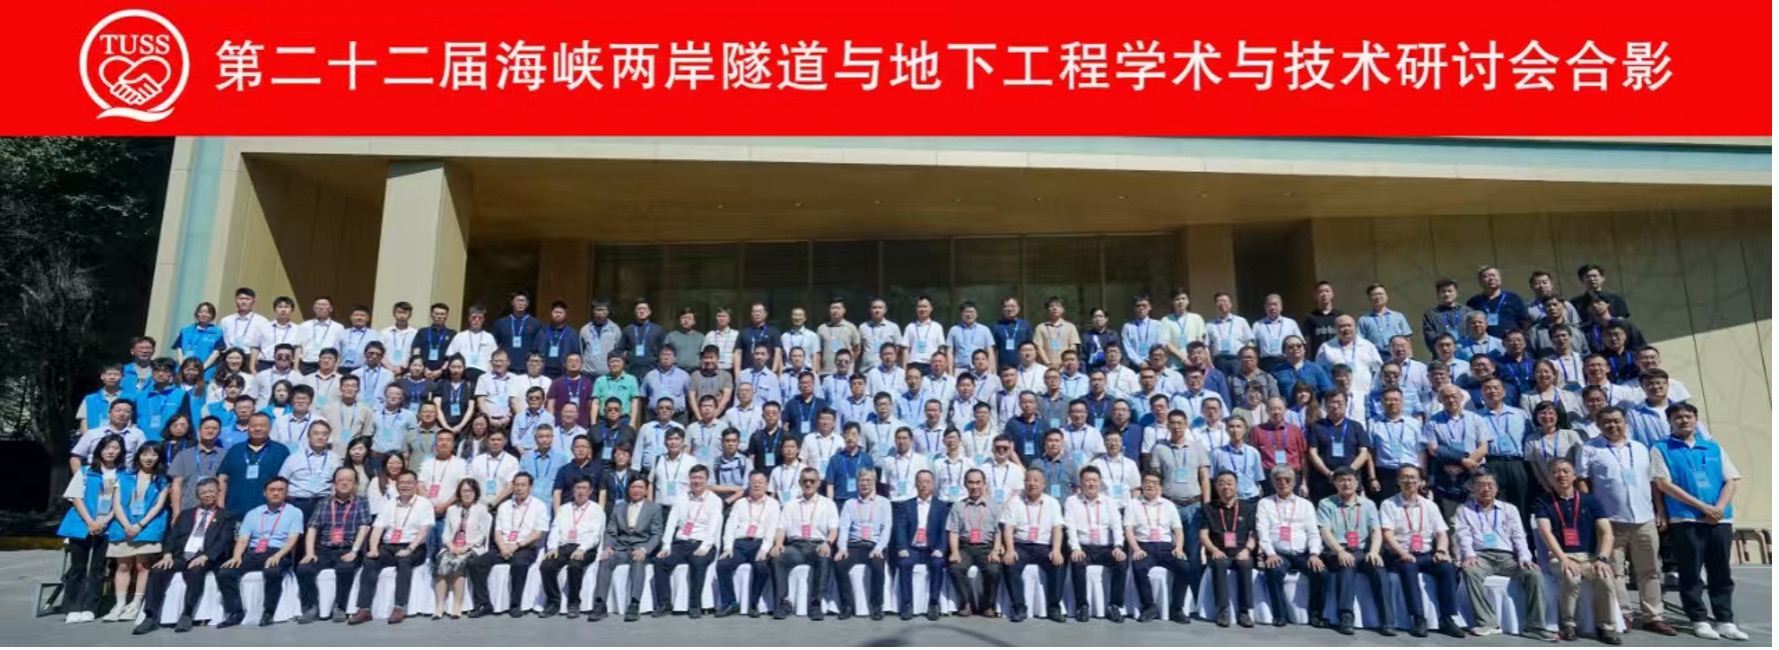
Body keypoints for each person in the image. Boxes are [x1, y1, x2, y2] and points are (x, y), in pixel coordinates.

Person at [1651, 403, 1747, 641]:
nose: (1683, 420)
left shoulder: (1713, 447)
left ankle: (1725, 620)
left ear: (1696, 419)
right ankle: (1699, 619)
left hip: (1720, 520)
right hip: (1686, 518)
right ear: (1670, 422)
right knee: (1691, 572)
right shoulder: (1661, 448)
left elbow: (1731, 480)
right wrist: (1703, 507)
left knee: (1721, 572)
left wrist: (1719, 508)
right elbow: (1663, 484)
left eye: (1688, 416)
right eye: (1678, 417)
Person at [1575, 407, 1671, 636]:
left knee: (1649, 571)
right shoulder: (1589, 449)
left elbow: (1653, 483)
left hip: (1644, 518)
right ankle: (1622, 615)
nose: (1612, 425)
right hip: (1610, 521)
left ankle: (1654, 617)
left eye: (1617, 421)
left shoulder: (1640, 448)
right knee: (1615, 572)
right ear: (1599, 425)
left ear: (1625, 423)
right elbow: (1582, 481)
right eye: (1606, 422)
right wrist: (1593, 513)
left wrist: (1660, 510)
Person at [1453, 469, 1551, 640]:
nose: (1486, 489)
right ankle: (1487, 622)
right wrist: (1469, 555)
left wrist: (1524, 557)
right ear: (1473, 488)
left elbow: (1518, 535)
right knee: (1470, 571)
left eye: (1490, 485)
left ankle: (1535, 626)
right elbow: (1463, 535)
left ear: (1497, 488)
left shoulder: (1509, 509)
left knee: (1534, 573)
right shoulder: (1464, 510)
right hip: (1481, 556)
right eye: (1481, 485)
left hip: (1508, 557)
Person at [1533, 458, 1620, 644]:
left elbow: (1607, 533)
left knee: (1605, 577)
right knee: (1570, 575)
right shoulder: (1543, 501)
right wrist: (1563, 558)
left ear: (1574, 475)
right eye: (1556, 472)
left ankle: (1606, 626)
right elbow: (1546, 533)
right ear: (1550, 477)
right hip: (1559, 557)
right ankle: (1568, 624)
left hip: (1589, 557)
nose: (1561, 475)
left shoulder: (1590, 500)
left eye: (1566, 471)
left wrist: (1602, 558)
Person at [130, 478, 231, 634]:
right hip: (182, 555)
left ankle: (187, 614)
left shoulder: (226, 516)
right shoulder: (185, 514)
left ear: (218, 492)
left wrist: (206, 556)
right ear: (198, 495)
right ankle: (150, 617)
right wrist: (167, 554)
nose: (207, 495)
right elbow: (171, 536)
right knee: (157, 571)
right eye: (203, 492)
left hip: (205, 557)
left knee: (196, 571)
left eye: (211, 491)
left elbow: (224, 540)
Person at [1378, 466, 1465, 638]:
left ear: (1421, 482)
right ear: (1398, 481)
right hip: (1399, 554)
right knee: (1409, 567)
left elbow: (1442, 533)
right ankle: (1418, 618)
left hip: (1425, 554)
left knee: (1446, 567)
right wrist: (1402, 553)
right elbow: (1387, 534)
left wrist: (1441, 550)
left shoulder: (1430, 505)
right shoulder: (1389, 504)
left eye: (1413, 477)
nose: (1409, 481)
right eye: (1405, 477)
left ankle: (1447, 619)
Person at [1313, 467, 1394, 636]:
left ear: (1357, 483)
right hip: (1335, 551)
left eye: (1350, 479)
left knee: (1378, 568)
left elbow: (1376, 531)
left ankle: (1387, 621)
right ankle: (1346, 618)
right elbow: (1325, 532)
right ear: (1334, 483)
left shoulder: (1368, 504)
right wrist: (1340, 551)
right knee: (1346, 565)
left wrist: (1374, 551)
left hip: (1361, 551)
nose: (1346, 483)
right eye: (1341, 480)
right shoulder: (1326, 503)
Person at [215, 477, 304, 628]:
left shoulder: (295, 512)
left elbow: (292, 539)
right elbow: (243, 539)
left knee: (272, 571)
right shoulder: (253, 513)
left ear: (286, 493)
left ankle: (269, 611)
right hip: (254, 552)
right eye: (272, 490)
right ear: (265, 493)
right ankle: (235, 612)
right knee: (225, 573)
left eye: (280, 490)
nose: (276, 493)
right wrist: (236, 557)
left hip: (279, 552)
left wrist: (277, 556)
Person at [350, 469, 433, 624]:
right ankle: (364, 609)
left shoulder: (424, 503)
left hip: (414, 546)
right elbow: (377, 528)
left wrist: (409, 549)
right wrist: (373, 549)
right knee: (370, 561)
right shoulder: (389, 504)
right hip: (389, 546)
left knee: (405, 561)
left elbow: (424, 531)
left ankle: (399, 606)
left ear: (416, 484)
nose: (405, 486)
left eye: (409, 482)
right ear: (397, 485)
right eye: (402, 483)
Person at [295, 466, 372, 623]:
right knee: (304, 569)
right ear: (334, 483)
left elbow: (364, 527)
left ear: (355, 484)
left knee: (345, 568)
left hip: (347, 549)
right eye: (340, 480)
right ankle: (311, 607)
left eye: (349, 480)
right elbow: (312, 528)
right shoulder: (323, 503)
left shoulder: (361, 502)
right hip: (324, 549)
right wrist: (309, 553)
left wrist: (354, 551)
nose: (344, 483)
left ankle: (340, 607)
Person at [466, 472, 549, 618]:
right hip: (502, 546)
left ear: (530, 487)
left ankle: (515, 604)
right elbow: (497, 531)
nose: (519, 488)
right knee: (475, 564)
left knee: (519, 564)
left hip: (524, 547)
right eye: (516, 485)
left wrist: (517, 545)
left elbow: (538, 533)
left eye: (523, 485)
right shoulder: (504, 506)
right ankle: (484, 604)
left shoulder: (539, 506)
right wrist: (503, 547)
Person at [107, 442, 172, 622]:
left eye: (153, 454)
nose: (149, 458)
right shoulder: (124, 476)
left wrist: (140, 525)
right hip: (123, 526)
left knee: (142, 566)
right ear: (138, 456)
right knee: (123, 566)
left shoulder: (162, 480)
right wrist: (127, 524)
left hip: (147, 526)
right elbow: (117, 503)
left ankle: (136, 603)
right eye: (145, 454)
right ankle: (119, 604)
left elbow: (158, 506)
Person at [1257, 464, 1325, 628]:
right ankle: (1280, 615)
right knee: (1273, 570)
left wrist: (1314, 554)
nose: (1283, 483)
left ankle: (1316, 615)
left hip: (1303, 553)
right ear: (1273, 482)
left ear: (1294, 482)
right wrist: (1270, 553)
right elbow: (1262, 531)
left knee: (1320, 572)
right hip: (1279, 553)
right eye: (1278, 480)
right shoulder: (1264, 503)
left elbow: (1313, 532)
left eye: (1287, 480)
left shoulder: (1305, 504)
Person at [653, 464, 723, 618]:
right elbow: (671, 523)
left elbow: (713, 527)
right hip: (681, 543)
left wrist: (705, 546)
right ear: (689, 479)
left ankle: (694, 605)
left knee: (698, 562)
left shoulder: (714, 500)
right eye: (694, 478)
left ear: (707, 480)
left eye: (700, 478)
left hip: (702, 543)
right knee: (660, 562)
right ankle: (664, 603)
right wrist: (666, 546)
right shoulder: (681, 498)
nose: (697, 481)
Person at [592, 476, 665, 622]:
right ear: (628, 489)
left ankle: (634, 604)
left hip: (640, 548)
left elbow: (656, 534)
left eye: (640, 487)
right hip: (621, 548)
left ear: (646, 490)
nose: (636, 490)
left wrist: (644, 549)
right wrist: (608, 547)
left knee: (638, 561)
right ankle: (600, 604)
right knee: (605, 559)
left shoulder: (654, 508)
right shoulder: (619, 507)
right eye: (633, 487)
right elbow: (611, 531)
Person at [1000, 466, 1066, 623]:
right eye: (1028, 480)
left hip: (1044, 546)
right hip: (1021, 545)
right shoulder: (1015, 502)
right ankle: (1019, 607)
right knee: (1010, 564)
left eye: (1036, 480)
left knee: (1058, 564)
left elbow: (1057, 528)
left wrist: (1056, 550)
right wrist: (1009, 550)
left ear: (1043, 484)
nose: (1032, 483)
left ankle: (1054, 608)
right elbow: (1008, 528)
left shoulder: (1052, 503)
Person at [772, 466, 839, 620]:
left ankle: (816, 603)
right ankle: (783, 602)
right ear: (799, 483)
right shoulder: (790, 504)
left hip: (817, 545)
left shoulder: (828, 504)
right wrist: (778, 544)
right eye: (805, 481)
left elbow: (833, 530)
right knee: (777, 557)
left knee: (824, 557)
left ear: (818, 483)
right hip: (796, 546)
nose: (808, 484)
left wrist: (828, 543)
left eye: (812, 481)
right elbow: (781, 528)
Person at [1059, 466, 1125, 622]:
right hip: (1083, 547)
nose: (1091, 484)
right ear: (1081, 483)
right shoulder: (1072, 502)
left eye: (1094, 480)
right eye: (1087, 480)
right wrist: (1075, 548)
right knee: (1077, 562)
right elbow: (1070, 528)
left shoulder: (1109, 502)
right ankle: (1082, 606)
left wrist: (1118, 546)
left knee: (1121, 562)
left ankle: (1114, 606)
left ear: (1100, 482)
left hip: (1105, 547)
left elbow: (1117, 526)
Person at [715, 471, 780, 618]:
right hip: (739, 543)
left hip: (759, 543)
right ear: (748, 484)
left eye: (760, 482)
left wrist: (765, 548)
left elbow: (772, 528)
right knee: (722, 564)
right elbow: (730, 526)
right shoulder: (740, 503)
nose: (757, 485)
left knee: (761, 567)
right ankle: (730, 602)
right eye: (753, 482)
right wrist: (728, 547)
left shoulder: (773, 504)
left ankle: (753, 603)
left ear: (766, 485)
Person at [539, 476, 604, 617]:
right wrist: (552, 547)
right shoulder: (564, 509)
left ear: (590, 491)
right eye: (578, 488)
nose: (581, 492)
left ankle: (574, 603)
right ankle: (553, 602)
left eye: (584, 488)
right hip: (564, 546)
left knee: (575, 565)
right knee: (546, 565)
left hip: (586, 548)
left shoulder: (597, 510)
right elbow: (555, 529)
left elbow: (595, 534)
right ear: (573, 490)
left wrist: (582, 549)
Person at [1198, 470, 1256, 627]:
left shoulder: (1248, 507)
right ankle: (1223, 610)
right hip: (1219, 551)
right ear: (1216, 487)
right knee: (1219, 564)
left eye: (1230, 483)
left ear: (1236, 486)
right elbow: (1203, 535)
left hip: (1240, 551)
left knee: (1246, 564)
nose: (1226, 487)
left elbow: (1253, 534)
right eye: (1221, 483)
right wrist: (1213, 550)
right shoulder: (1208, 508)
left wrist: (1247, 550)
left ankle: (1244, 611)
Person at [832, 468, 891, 620]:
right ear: (857, 482)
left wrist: (879, 548)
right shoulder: (850, 504)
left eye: (868, 480)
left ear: (874, 482)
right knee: (839, 564)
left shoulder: (884, 503)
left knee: (878, 565)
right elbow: (844, 528)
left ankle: (877, 605)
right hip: (854, 545)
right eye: (862, 480)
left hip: (874, 545)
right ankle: (846, 605)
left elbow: (887, 528)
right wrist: (842, 548)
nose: (865, 483)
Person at [888, 470, 948, 620]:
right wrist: (902, 547)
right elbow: (900, 528)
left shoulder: (941, 506)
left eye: (927, 482)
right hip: (912, 548)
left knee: (938, 564)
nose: (924, 485)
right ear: (915, 484)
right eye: (920, 482)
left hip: (932, 549)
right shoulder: (906, 505)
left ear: (933, 484)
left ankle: (933, 604)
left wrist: (941, 549)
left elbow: (944, 530)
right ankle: (907, 604)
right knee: (904, 563)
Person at [1424, 386, 1489, 520]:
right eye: (1446, 397)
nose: (1451, 400)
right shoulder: (1432, 422)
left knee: (1479, 515)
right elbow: (1433, 449)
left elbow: (1483, 448)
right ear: (1440, 400)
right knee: (1452, 518)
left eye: (1454, 396)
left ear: (1462, 397)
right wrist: (1463, 461)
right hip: (1447, 474)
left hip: (1474, 472)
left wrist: (1463, 464)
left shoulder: (1476, 419)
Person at [945, 469, 1004, 619]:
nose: (975, 486)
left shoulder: (994, 506)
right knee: (955, 568)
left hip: (987, 547)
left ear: (984, 484)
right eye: (971, 482)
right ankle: (965, 603)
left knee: (993, 570)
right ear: (965, 484)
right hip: (965, 547)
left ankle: (988, 605)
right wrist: (954, 552)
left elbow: (998, 531)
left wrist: (996, 550)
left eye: (978, 482)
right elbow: (953, 531)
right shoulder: (958, 506)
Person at [431, 478, 487, 620]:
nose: (467, 494)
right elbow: (446, 533)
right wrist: (451, 546)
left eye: (470, 491)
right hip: (452, 546)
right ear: (459, 493)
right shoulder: (452, 509)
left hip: (472, 547)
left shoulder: (481, 509)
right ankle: (439, 607)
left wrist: (466, 547)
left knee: (458, 563)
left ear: (476, 492)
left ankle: (457, 606)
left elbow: (482, 534)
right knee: (441, 563)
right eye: (464, 491)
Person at [217, 413, 292, 516]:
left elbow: (288, 481)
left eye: (262, 426)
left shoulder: (281, 451)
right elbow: (223, 478)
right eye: (253, 426)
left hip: (270, 512)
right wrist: (220, 506)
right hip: (234, 512)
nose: (257, 429)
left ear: (270, 428)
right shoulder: (235, 450)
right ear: (248, 428)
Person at [1523, 402, 1584, 504]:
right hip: (1548, 488)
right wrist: (1548, 488)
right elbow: (1535, 468)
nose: (1547, 416)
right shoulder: (1531, 440)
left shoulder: (1571, 435)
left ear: (1558, 416)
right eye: (1543, 413)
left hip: (1573, 485)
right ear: (1536, 416)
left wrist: (1576, 483)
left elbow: (1580, 461)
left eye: (1551, 413)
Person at [279, 420, 340, 519]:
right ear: (308, 436)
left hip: (325, 502)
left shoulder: (335, 459)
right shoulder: (294, 458)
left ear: (328, 437)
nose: (320, 437)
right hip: (299, 502)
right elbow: (281, 481)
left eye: (324, 434)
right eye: (316, 433)